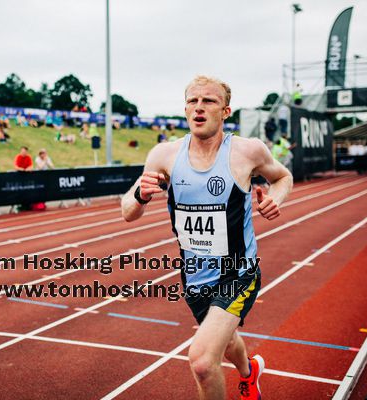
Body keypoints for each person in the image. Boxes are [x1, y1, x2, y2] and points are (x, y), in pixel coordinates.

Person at [121, 75, 293, 400]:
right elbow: (127, 210)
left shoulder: (247, 151)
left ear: (225, 110)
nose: (199, 107)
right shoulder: (164, 155)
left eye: (209, 101)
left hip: (237, 273)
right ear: (185, 109)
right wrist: (140, 197)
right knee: (225, 341)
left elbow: (283, 176)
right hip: (195, 277)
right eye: (192, 101)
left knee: (201, 361)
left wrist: (275, 197)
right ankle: (249, 372)